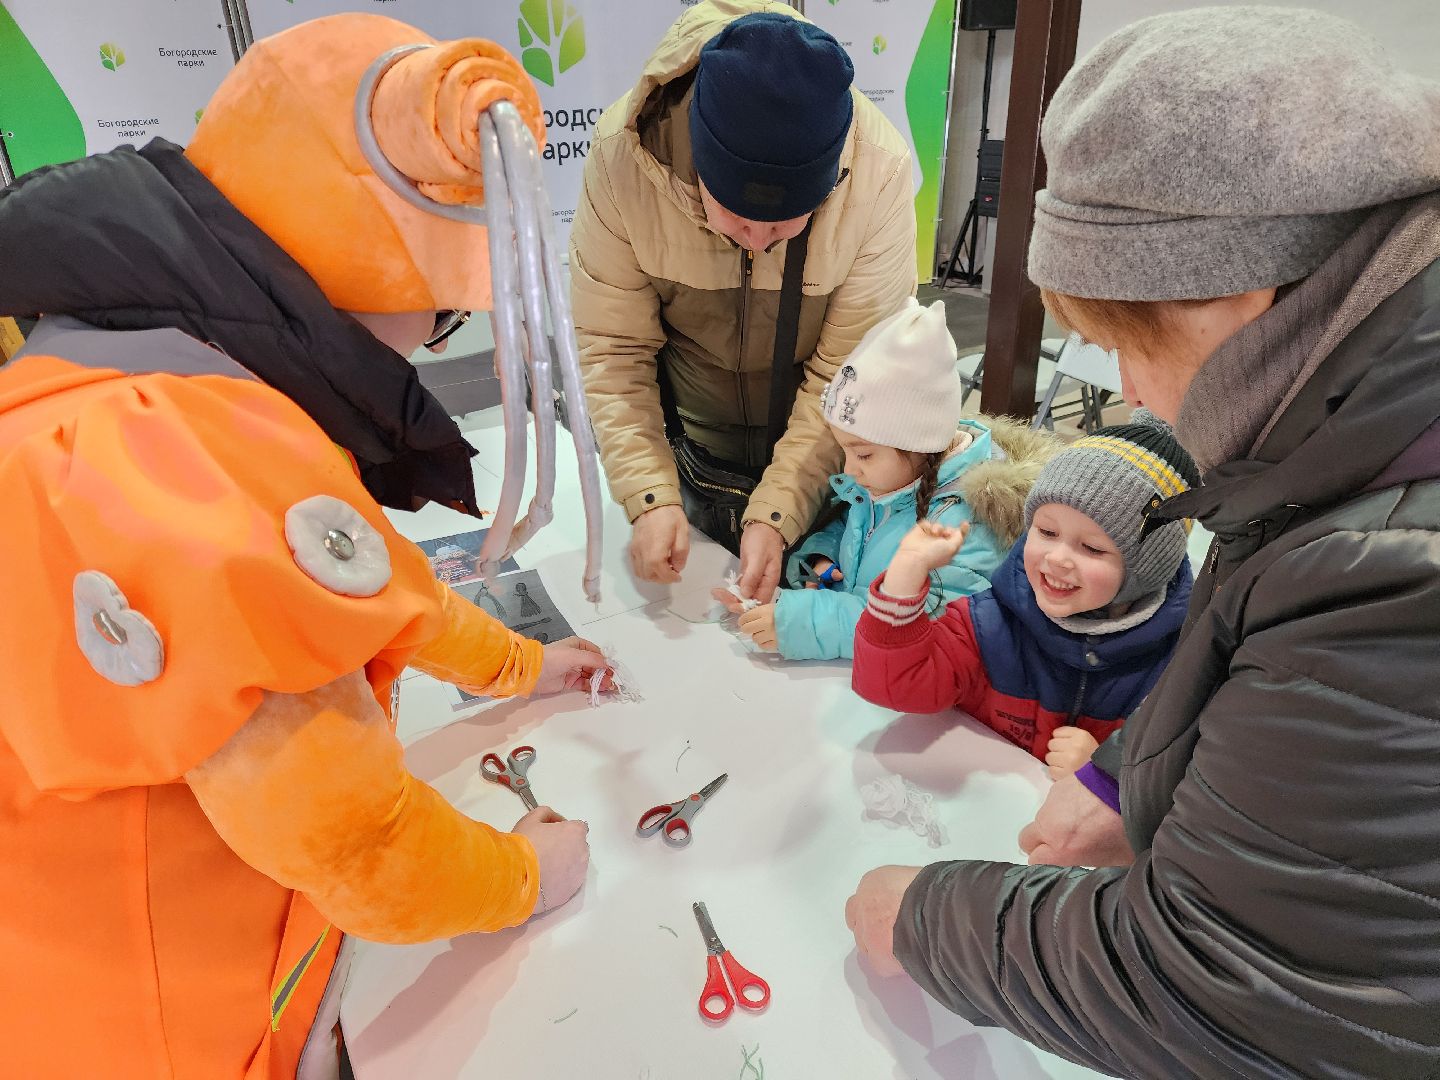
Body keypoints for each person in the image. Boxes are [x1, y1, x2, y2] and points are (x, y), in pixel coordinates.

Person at [0, 16, 611, 1079]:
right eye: (439, 312)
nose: (429, 344)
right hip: (169, 1017)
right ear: (366, 275)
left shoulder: (143, 375)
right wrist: (526, 873)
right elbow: (352, 841)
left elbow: (359, 578)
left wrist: (523, 666)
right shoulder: (174, 461)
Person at [845, 8, 1440, 1076]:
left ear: (1240, 296)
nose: (1124, 388)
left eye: (1132, 340)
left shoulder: (1396, 579)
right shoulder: (1357, 441)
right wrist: (1128, 780)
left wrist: (926, 918)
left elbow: (1237, 991)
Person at [572, 0, 918, 602]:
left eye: (786, 229)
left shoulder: (878, 171)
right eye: (735, 218)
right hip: (691, 452)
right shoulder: (623, 158)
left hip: (827, 462)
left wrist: (781, 507)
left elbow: (851, 373)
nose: (758, 241)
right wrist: (648, 494)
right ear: (698, 160)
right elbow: (614, 351)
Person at [851, 412, 1195, 777]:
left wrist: (1109, 775)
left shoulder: (1178, 666)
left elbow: (1186, 786)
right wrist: (904, 575)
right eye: (1046, 531)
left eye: (1092, 548)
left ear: (1148, 568)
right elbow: (893, 686)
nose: (1057, 558)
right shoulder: (990, 623)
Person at [717, 297, 1055, 659]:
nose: (848, 470)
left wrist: (803, 621)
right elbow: (857, 524)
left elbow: (917, 626)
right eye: (844, 451)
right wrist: (823, 560)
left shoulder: (968, 527)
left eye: (862, 454)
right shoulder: (892, 481)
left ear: (919, 442)